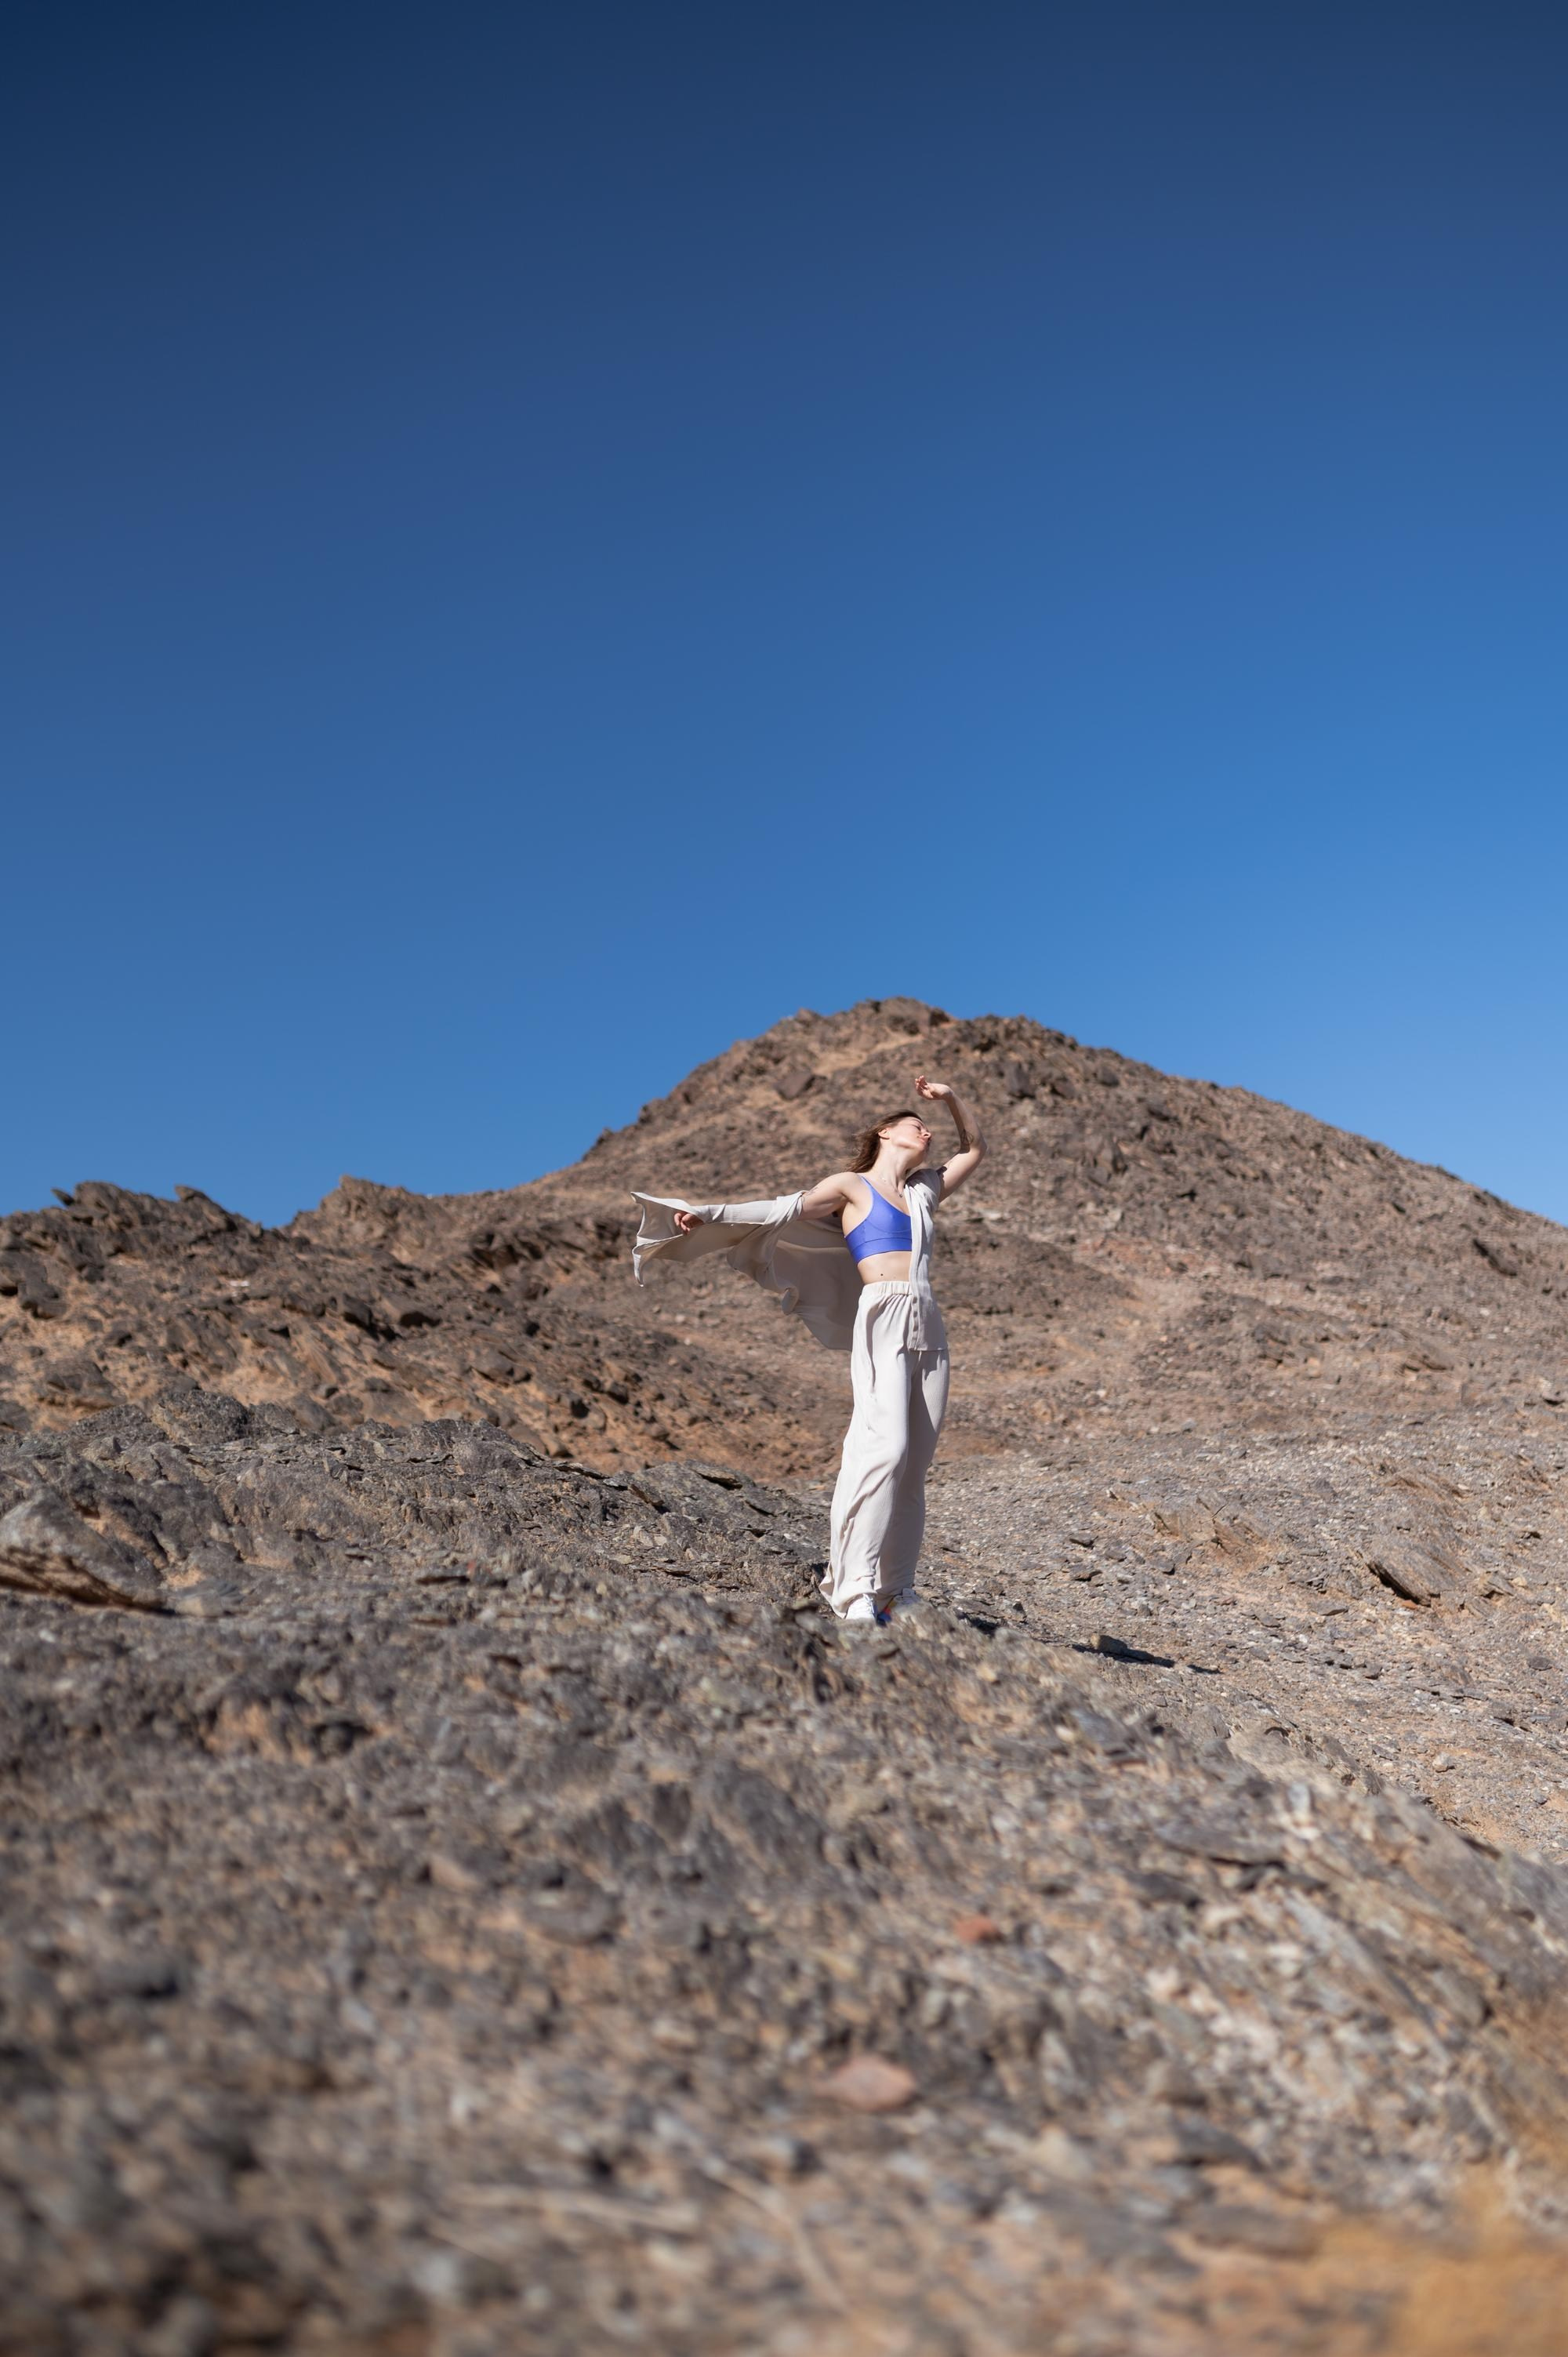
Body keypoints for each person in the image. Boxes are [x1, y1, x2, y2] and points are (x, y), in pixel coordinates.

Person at [631, 1074, 985, 1624]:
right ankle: (853, 1589)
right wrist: (710, 1213)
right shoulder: (851, 1186)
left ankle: (896, 1592)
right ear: (886, 1132)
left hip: (928, 1320)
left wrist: (952, 1098)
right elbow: (784, 1208)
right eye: (916, 1123)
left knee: (914, 1464)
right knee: (884, 1450)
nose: (927, 1131)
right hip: (884, 1313)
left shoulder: (923, 1191)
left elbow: (975, 1147)